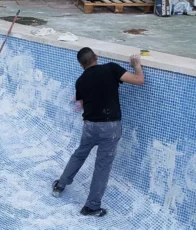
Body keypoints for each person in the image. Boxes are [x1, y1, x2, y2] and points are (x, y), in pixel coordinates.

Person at [52, 47, 144, 217]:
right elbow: (139, 80)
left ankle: (60, 184)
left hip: (90, 126)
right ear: (96, 57)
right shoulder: (111, 68)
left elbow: (80, 101)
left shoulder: (80, 81)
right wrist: (137, 65)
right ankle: (92, 206)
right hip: (110, 127)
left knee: (79, 154)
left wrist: (80, 102)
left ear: (81, 65)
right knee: (102, 166)